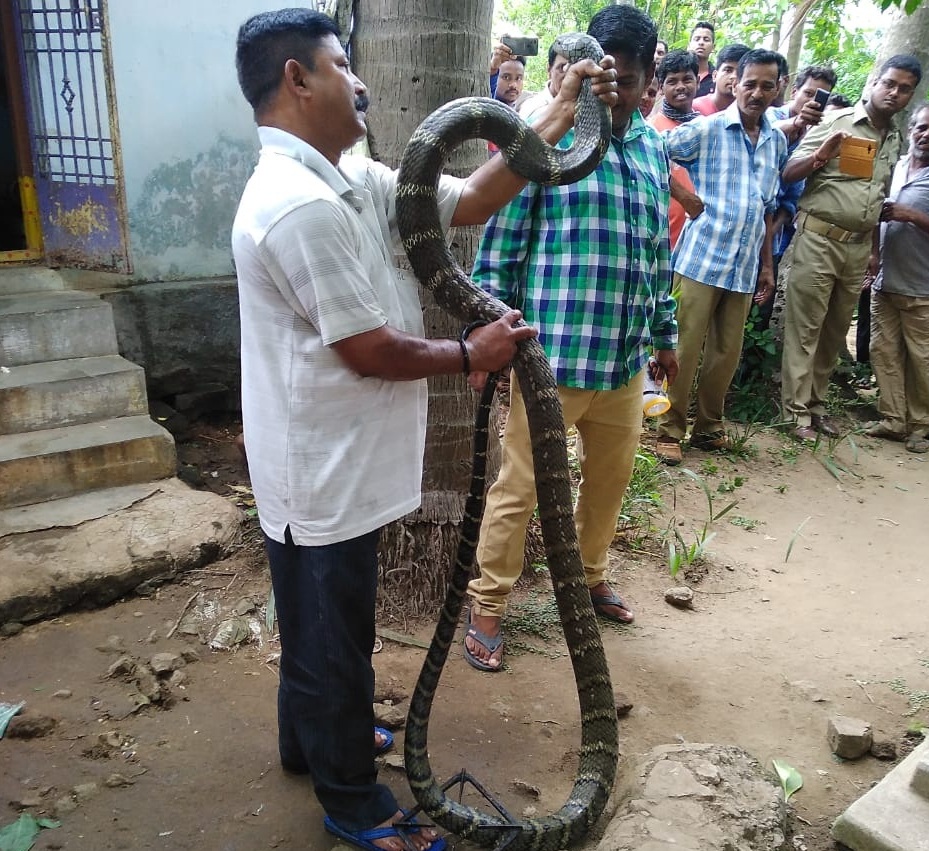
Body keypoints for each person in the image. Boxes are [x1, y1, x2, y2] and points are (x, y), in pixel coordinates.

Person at [231, 8, 617, 849]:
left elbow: (475, 198)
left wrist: (556, 108)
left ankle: (312, 741)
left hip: (345, 460)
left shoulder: (357, 177)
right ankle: (352, 801)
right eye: (340, 64)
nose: (359, 80)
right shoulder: (296, 205)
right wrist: (467, 351)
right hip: (320, 467)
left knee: (325, 619)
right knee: (330, 630)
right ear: (297, 79)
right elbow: (367, 347)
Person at [464, 4, 679, 672]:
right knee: (517, 490)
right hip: (550, 361)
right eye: (605, 75)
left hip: (621, 363)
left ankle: (587, 580)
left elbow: (655, 254)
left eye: (631, 79)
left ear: (648, 81)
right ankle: (486, 608)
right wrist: (487, 330)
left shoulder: (651, 147)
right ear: (588, 71)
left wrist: (664, 335)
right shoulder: (543, 137)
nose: (617, 90)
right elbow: (499, 246)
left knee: (609, 484)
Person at [654, 49, 788, 466]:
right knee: (685, 348)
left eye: (767, 85)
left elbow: (768, 207)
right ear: (734, 84)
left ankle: (709, 428)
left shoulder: (777, 139)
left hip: (745, 266)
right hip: (700, 260)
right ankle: (669, 429)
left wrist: (768, 265)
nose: (757, 93)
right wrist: (686, 197)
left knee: (726, 354)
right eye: (750, 84)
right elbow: (655, 154)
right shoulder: (709, 128)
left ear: (778, 88)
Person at [778, 55, 921, 443]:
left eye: (904, 88)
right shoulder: (834, 122)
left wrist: (874, 250)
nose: (894, 92)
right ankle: (795, 414)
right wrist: (820, 155)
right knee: (805, 328)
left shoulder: (895, 138)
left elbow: (875, 198)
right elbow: (788, 173)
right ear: (873, 82)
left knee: (835, 330)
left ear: (910, 95)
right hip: (819, 239)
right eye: (889, 83)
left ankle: (817, 406)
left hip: (857, 249)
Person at [864, 102, 929, 453]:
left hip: (927, 289)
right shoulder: (896, 168)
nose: (926, 134)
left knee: (923, 362)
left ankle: (919, 426)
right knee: (883, 353)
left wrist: (911, 214)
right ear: (910, 129)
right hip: (886, 283)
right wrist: (873, 254)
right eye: (920, 127)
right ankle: (892, 420)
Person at [759, 66, 838, 329]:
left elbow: (793, 195)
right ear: (794, 91)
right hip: (744, 229)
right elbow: (763, 135)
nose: (812, 101)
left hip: (777, 234)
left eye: (821, 97)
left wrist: (773, 231)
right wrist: (797, 123)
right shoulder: (769, 115)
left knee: (761, 310)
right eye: (808, 93)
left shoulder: (819, 134)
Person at [648, 50, 701, 249]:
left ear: (697, 80)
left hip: (698, 238)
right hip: (664, 236)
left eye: (687, 79)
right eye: (672, 81)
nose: (680, 87)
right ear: (661, 87)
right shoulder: (651, 130)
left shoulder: (707, 128)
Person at [692, 43, 749, 116]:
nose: (734, 76)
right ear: (715, 75)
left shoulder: (749, 113)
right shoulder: (695, 109)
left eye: (740, 72)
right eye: (728, 70)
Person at [519, 43, 569, 122]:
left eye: (574, 68)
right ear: (549, 69)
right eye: (562, 68)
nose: (570, 75)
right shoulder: (532, 108)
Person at [688, 21, 716, 97]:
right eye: (697, 39)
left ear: (713, 47)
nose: (701, 43)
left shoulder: (717, 77)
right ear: (689, 45)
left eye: (706, 40)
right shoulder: (679, 73)